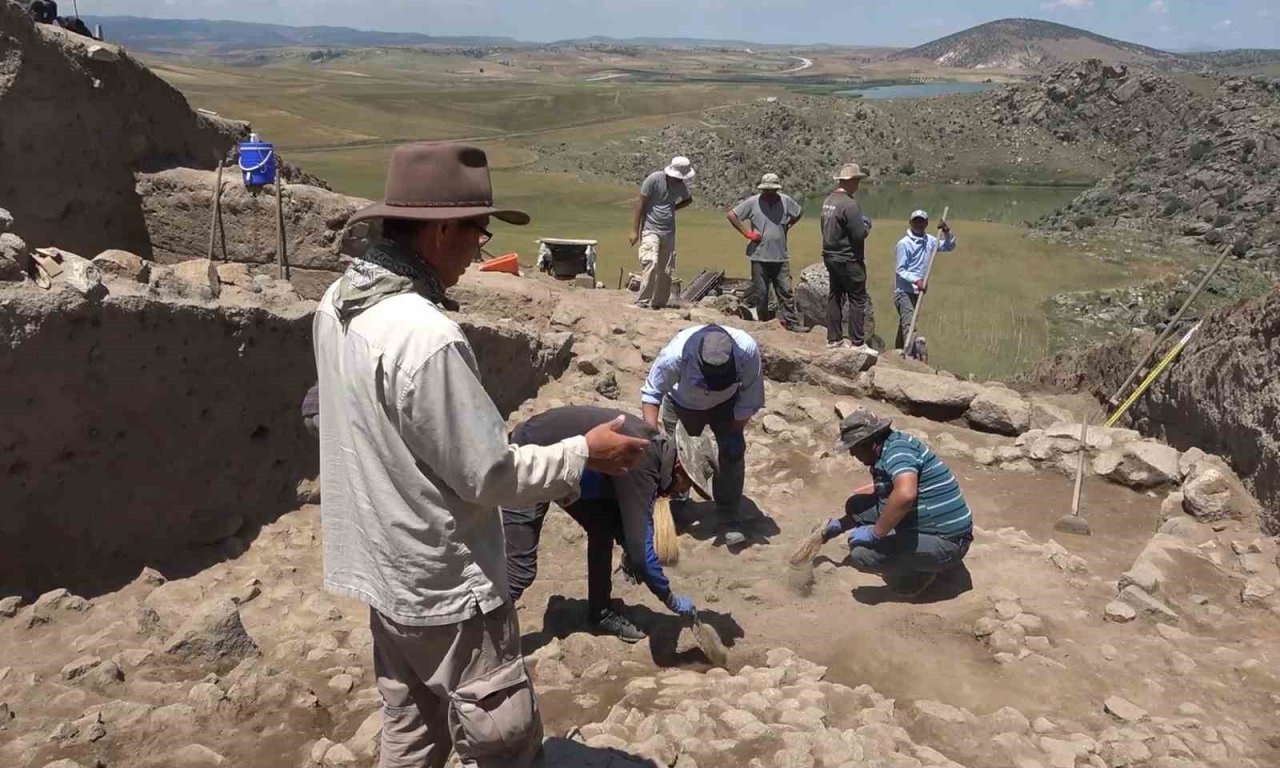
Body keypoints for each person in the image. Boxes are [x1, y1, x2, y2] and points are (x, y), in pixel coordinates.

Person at [312, 141, 649, 768]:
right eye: (478, 232)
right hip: (445, 582)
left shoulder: (338, 303)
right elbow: (489, 474)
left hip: (382, 568)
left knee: (411, 728)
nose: (481, 251)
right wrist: (584, 452)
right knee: (504, 741)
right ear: (441, 228)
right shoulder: (424, 334)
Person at [502, 406, 702, 643]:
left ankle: (600, 613)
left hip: (568, 468)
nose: (683, 492)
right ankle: (477, 637)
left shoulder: (654, 449)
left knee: (602, 528)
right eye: (687, 484)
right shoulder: (643, 457)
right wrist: (670, 599)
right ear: (679, 468)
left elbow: (626, 519)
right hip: (528, 457)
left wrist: (629, 545)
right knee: (519, 569)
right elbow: (642, 552)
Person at [807, 408, 973, 597]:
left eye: (854, 447)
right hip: (934, 525)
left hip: (948, 541)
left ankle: (917, 577)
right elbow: (887, 493)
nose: (852, 454)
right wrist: (840, 525)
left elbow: (905, 494)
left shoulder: (898, 452)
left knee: (863, 555)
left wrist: (875, 534)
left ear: (869, 442)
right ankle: (919, 556)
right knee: (856, 505)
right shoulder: (890, 446)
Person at [640, 324, 763, 527]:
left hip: (726, 404)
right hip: (682, 404)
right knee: (674, 459)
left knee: (733, 452)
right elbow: (652, 394)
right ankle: (677, 506)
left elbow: (750, 397)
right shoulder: (674, 355)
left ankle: (728, 512)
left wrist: (736, 430)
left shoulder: (747, 352)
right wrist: (652, 438)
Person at [726, 172, 804, 331]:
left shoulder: (785, 201)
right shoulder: (753, 202)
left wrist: (788, 225)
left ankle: (792, 323)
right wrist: (747, 233)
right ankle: (764, 322)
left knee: (785, 291)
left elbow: (798, 212)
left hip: (780, 256)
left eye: (772, 190)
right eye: (766, 190)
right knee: (761, 293)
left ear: (777, 189)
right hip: (759, 256)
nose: (769, 193)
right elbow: (732, 215)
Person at [820, 163, 876, 353]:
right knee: (857, 299)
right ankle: (857, 343)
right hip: (849, 258)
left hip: (830, 255)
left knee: (835, 296)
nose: (858, 185)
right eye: (857, 181)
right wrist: (867, 225)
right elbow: (859, 234)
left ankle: (833, 339)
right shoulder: (849, 204)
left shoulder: (829, 200)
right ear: (851, 182)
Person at [630, 156, 695, 309]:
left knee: (666, 270)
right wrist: (634, 230)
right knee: (650, 261)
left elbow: (688, 199)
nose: (679, 181)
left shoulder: (680, 186)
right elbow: (640, 203)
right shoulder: (654, 179)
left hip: (669, 231)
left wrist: (673, 208)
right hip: (651, 228)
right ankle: (642, 300)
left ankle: (659, 302)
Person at [894, 209, 956, 355]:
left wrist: (947, 231)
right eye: (916, 221)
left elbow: (949, 246)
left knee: (906, 322)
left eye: (922, 221)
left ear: (926, 223)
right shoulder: (904, 244)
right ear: (910, 223)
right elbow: (900, 270)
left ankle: (896, 353)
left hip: (918, 291)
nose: (919, 224)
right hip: (904, 292)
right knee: (910, 326)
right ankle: (909, 359)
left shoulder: (930, 240)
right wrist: (917, 280)